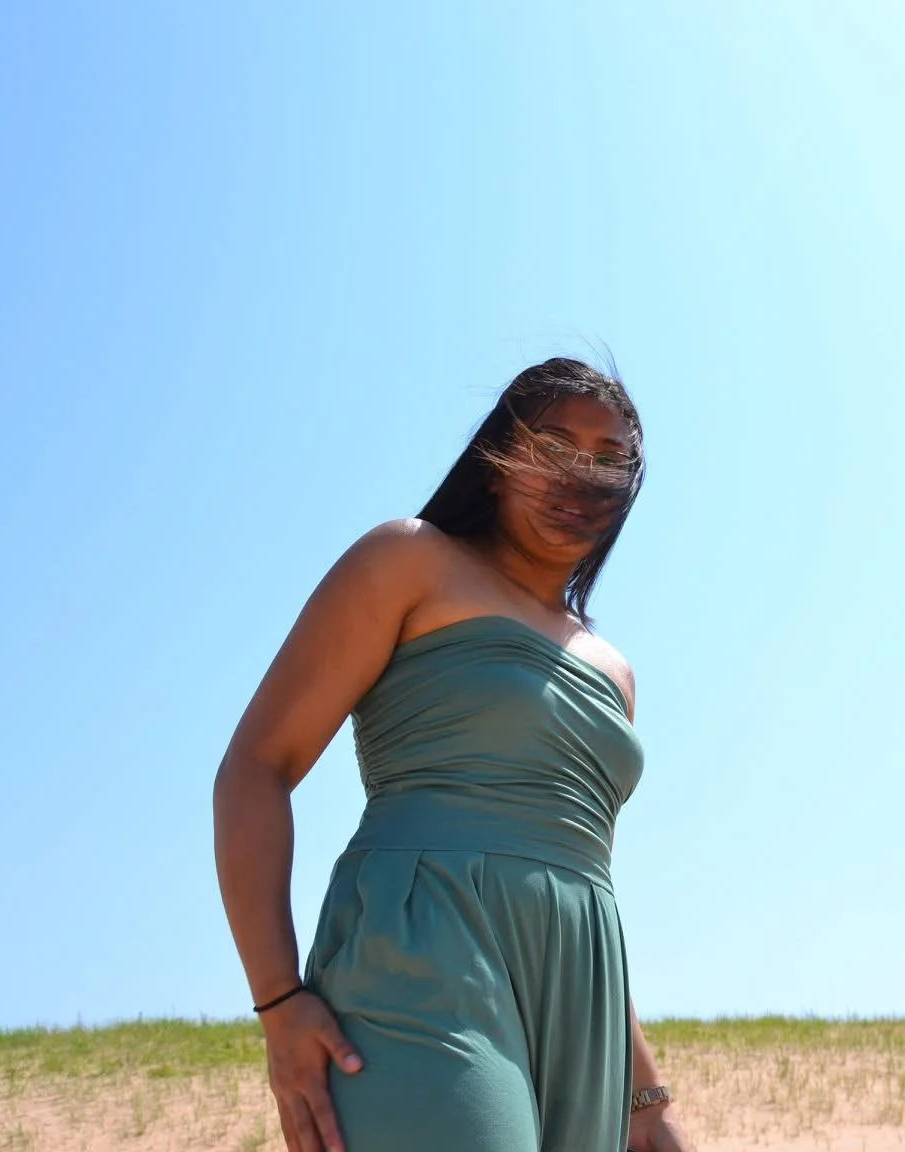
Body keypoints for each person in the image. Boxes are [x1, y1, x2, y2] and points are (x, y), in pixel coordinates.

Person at [213, 357, 692, 1152]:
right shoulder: (409, 560)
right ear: (498, 459)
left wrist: (645, 1096)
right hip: (424, 949)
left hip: (581, 996)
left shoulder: (617, 672)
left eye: (612, 458)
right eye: (556, 444)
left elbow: (583, 876)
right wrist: (277, 1000)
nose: (584, 472)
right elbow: (255, 768)